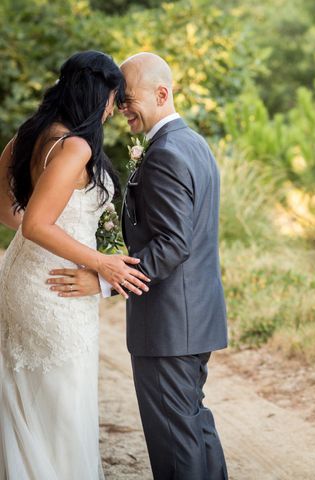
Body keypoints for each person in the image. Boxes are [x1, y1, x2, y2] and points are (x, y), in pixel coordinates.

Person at [49, 52, 229, 480]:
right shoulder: (194, 143)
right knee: (193, 425)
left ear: (161, 94)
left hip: (168, 325)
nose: (120, 106)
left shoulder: (166, 153)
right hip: (194, 318)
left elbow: (172, 244)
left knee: (174, 439)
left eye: (127, 97)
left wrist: (104, 280)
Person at [0, 51, 150, 479]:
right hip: (55, 287)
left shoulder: (29, 135)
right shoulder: (76, 146)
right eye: (112, 99)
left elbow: (10, 214)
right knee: (63, 400)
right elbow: (35, 224)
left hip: (23, 274)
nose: (112, 110)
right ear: (98, 94)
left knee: (26, 392)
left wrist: (56, 222)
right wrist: (102, 261)